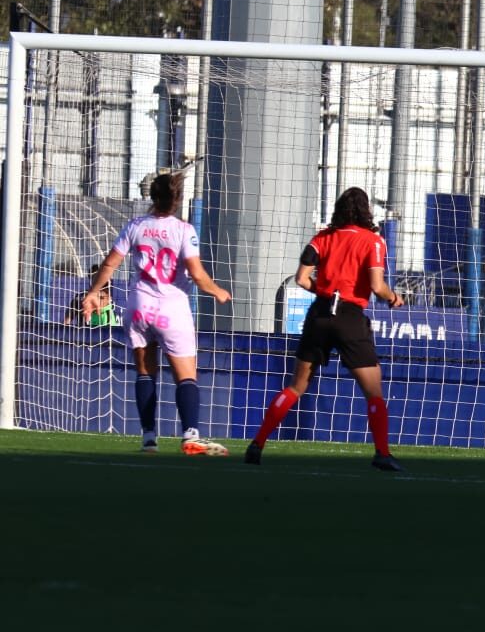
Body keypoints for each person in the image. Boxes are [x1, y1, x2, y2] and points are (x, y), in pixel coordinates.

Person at [244, 187, 406, 471]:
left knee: (296, 386)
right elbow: (377, 286)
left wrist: (326, 290)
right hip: (349, 317)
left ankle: (257, 444)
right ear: (366, 211)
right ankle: (382, 453)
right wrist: (394, 298)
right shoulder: (374, 241)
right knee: (373, 392)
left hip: (319, 313)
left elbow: (301, 278)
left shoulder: (323, 238)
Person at [82, 172, 232, 455]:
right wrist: (218, 291)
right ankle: (190, 435)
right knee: (186, 377)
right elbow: (197, 275)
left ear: (152, 197)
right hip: (171, 309)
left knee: (145, 372)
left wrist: (93, 292)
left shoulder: (136, 225)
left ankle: (149, 438)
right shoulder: (184, 230)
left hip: (139, 308)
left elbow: (110, 263)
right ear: (177, 200)